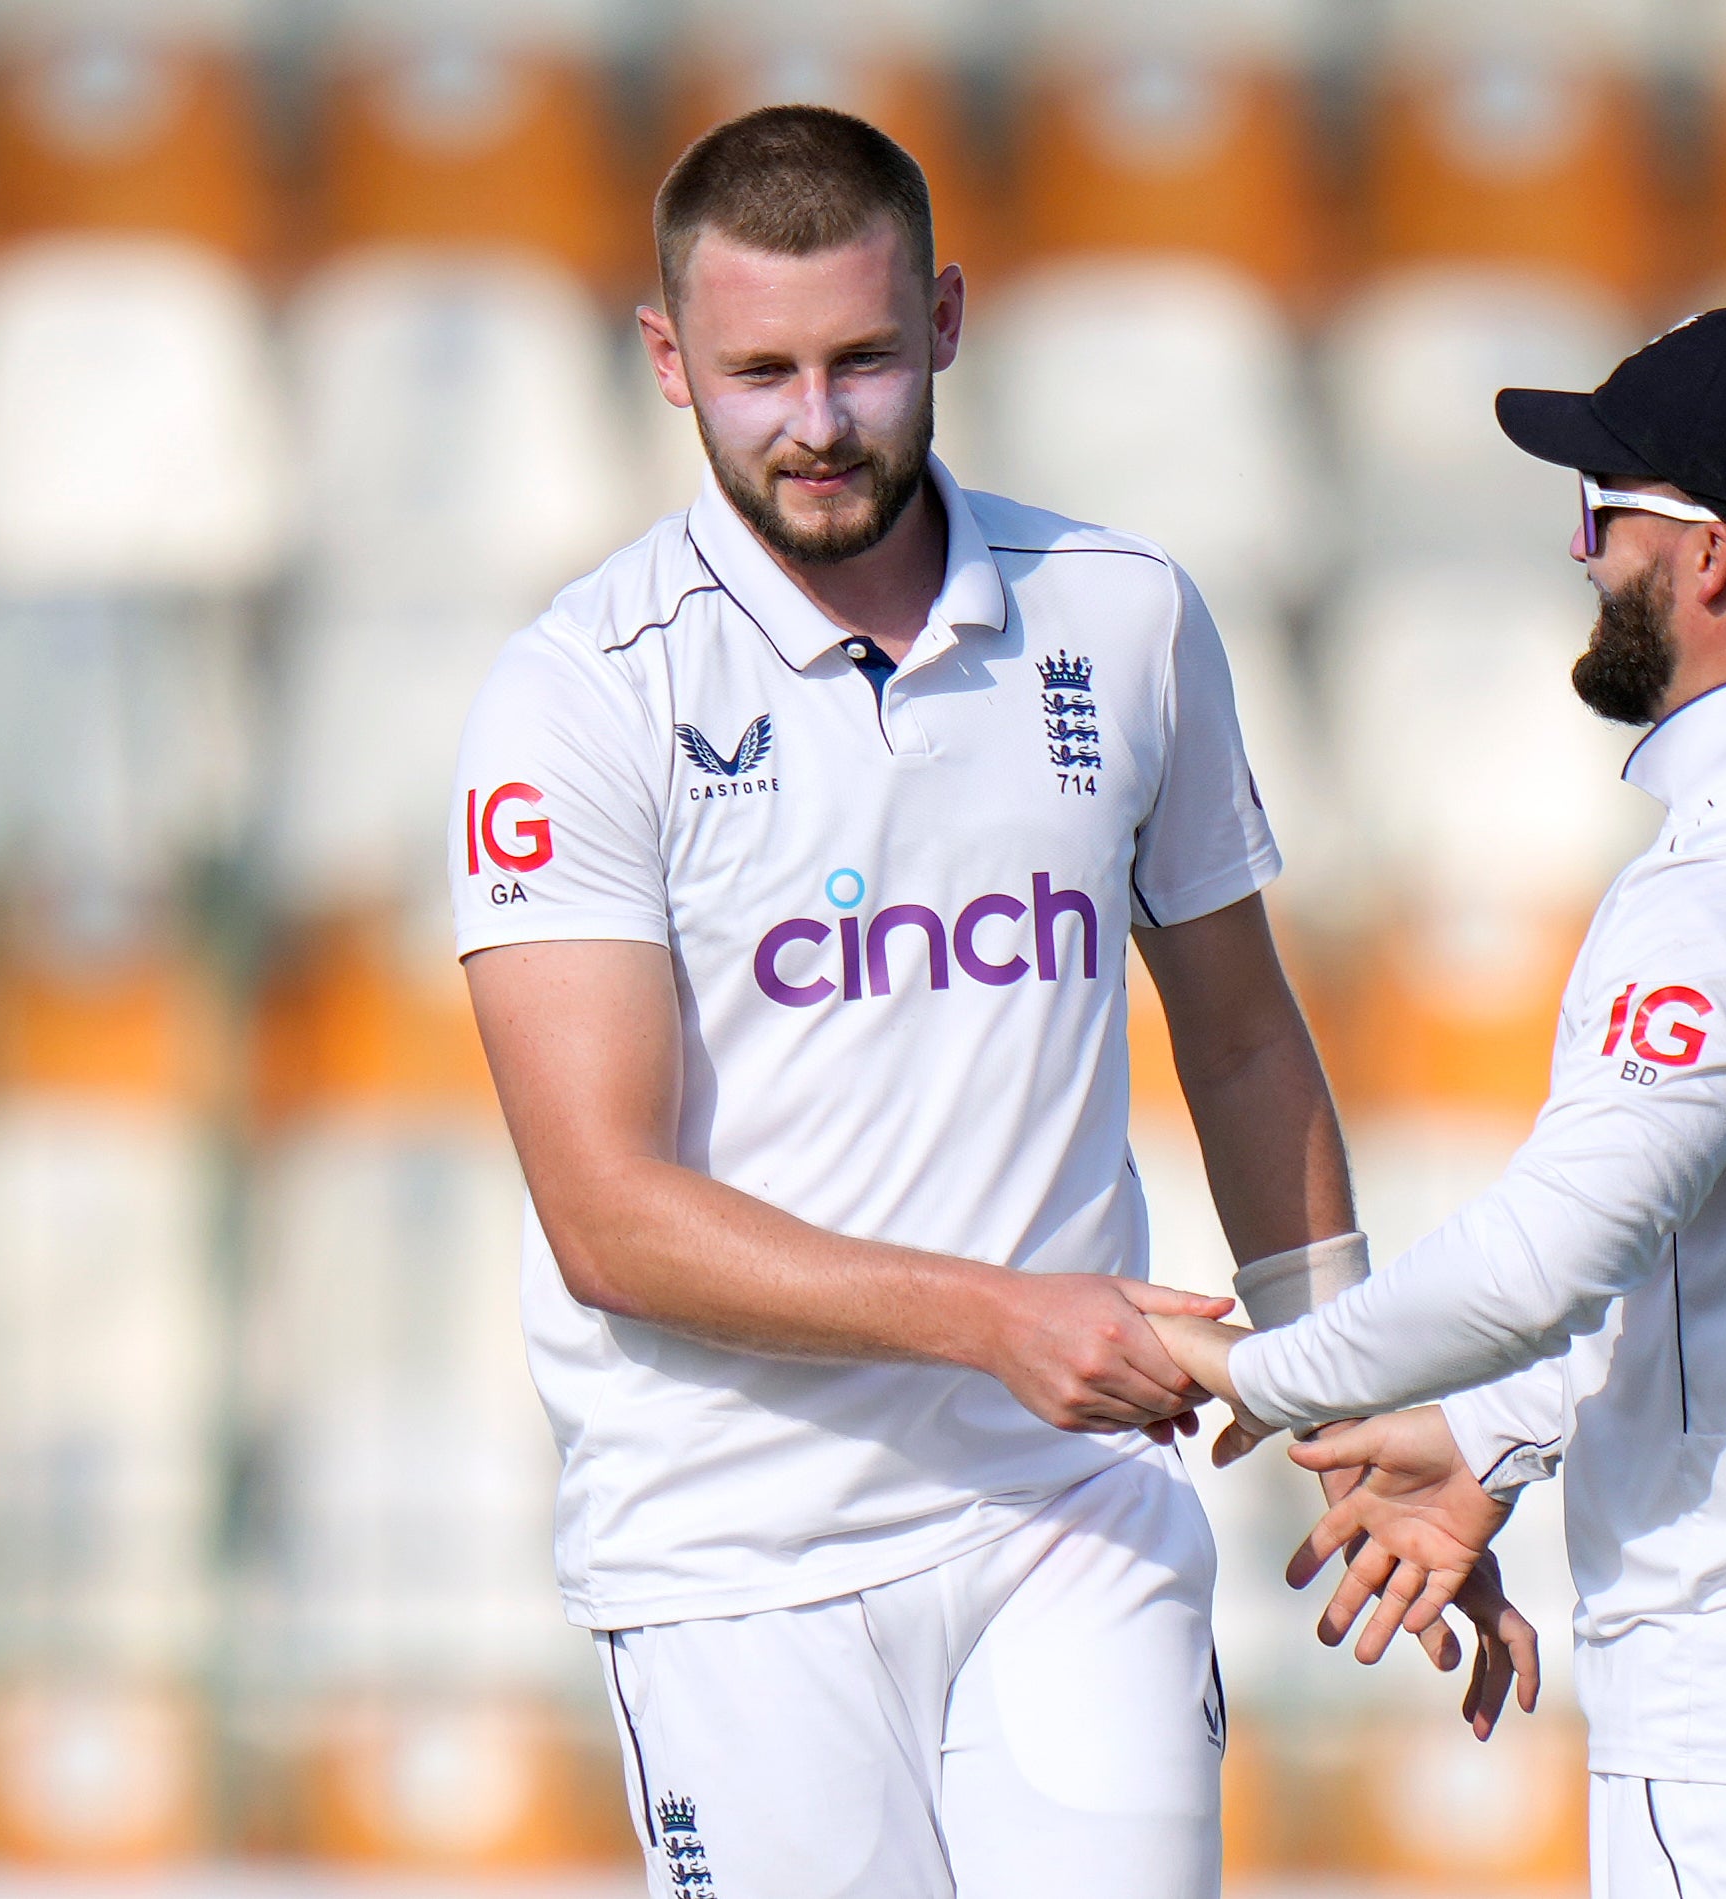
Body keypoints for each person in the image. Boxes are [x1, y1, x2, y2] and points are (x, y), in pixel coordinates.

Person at [449, 106, 1523, 1899]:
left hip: (1067, 1514)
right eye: (759, 370)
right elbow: (607, 1218)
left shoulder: (1121, 617)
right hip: (733, 1554)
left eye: (863, 359)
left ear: (944, 319)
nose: (815, 423)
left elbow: (1247, 1040)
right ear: (665, 361)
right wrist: (995, 1321)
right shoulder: (579, 691)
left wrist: (1360, 1416)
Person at [1157, 309, 1726, 1898]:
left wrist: (1263, 1371)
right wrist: (1488, 1441)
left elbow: (1544, 1264)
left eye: (1605, 516)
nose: (1582, 557)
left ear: (1710, 562)